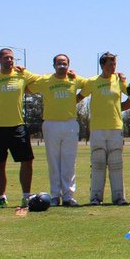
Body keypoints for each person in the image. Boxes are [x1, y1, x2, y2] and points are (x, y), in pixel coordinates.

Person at [0, 47, 44, 207]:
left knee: (27, 161)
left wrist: (25, 73)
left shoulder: (22, 74)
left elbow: (43, 80)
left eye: (11, 58)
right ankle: (1, 197)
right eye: (6, 58)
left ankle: (26, 196)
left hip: (17, 126)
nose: (9, 60)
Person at [28, 54, 86, 207]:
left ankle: (68, 196)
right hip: (51, 124)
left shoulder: (75, 79)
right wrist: (19, 71)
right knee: (53, 161)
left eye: (65, 63)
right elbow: (28, 87)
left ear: (69, 65)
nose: (62, 65)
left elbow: (89, 85)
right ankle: (55, 195)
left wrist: (78, 97)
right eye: (59, 63)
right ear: (54, 65)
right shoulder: (45, 80)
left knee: (69, 161)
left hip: (70, 124)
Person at [87, 52, 130, 206]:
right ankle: (95, 197)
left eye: (114, 64)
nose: (113, 67)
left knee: (116, 162)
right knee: (98, 162)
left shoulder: (119, 80)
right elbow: (78, 96)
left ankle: (119, 197)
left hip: (115, 127)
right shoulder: (93, 81)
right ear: (102, 65)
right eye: (110, 64)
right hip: (97, 128)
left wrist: (121, 108)